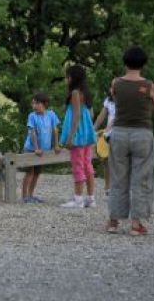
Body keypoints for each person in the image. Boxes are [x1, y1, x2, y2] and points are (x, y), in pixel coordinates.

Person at [106, 47, 154, 236]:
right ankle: (136, 224)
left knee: (118, 177)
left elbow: (115, 99)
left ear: (125, 62)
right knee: (141, 177)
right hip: (142, 133)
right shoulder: (149, 84)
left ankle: (113, 221)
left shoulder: (116, 83)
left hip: (119, 132)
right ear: (143, 63)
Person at [59, 65, 98, 208]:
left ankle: (78, 199)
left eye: (67, 76)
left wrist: (70, 136)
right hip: (87, 134)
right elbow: (91, 114)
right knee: (88, 165)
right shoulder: (86, 93)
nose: (65, 79)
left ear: (72, 78)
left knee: (78, 165)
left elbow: (76, 116)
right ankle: (91, 198)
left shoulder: (75, 93)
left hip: (78, 135)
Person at [21, 92, 60, 203]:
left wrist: (56, 145)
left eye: (36, 103)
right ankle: (25, 196)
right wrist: (36, 148)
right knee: (30, 172)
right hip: (31, 148)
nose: (34, 106)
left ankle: (31, 194)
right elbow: (32, 132)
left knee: (37, 172)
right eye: (33, 104)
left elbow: (55, 130)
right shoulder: (32, 116)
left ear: (44, 104)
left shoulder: (51, 115)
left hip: (44, 150)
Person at [93, 89, 116, 195]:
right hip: (108, 133)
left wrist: (108, 128)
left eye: (114, 86)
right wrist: (92, 130)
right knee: (106, 160)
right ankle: (108, 186)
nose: (112, 89)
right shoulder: (109, 101)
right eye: (111, 86)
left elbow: (118, 117)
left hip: (120, 131)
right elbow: (101, 117)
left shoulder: (125, 99)